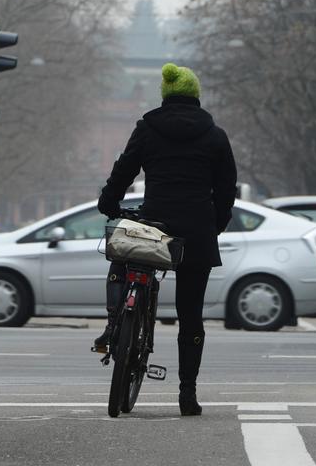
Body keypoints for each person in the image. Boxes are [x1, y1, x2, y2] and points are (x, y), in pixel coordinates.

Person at [96, 62, 237, 417]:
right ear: (195, 97)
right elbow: (225, 190)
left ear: (165, 96)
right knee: (191, 316)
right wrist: (215, 225)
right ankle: (187, 393)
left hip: (154, 226)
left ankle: (114, 323)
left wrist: (109, 203)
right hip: (196, 232)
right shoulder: (215, 135)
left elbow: (124, 169)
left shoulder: (147, 129)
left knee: (122, 256)